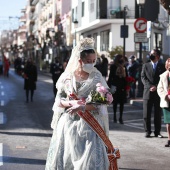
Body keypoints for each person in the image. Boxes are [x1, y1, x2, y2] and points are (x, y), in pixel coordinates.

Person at [45, 38, 112, 170]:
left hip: (90, 126)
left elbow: (103, 101)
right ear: (80, 60)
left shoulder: (97, 77)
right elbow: (58, 100)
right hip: (69, 125)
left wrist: (83, 106)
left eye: (94, 61)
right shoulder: (67, 77)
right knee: (66, 159)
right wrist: (71, 102)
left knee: (91, 161)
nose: (92, 64)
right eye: (88, 61)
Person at [141, 49, 166, 138]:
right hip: (148, 92)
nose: (151, 55)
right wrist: (150, 86)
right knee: (146, 113)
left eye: (153, 54)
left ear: (158, 56)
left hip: (158, 93)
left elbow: (162, 79)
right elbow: (143, 77)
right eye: (151, 54)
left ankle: (157, 132)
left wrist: (156, 86)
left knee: (157, 114)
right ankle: (147, 131)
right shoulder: (145, 65)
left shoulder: (162, 66)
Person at [107, 54, 128, 124]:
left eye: (122, 59)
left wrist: (127, 86)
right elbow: (110, 77)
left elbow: (127, 78)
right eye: (120, 58)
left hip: (122, 87)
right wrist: (108, 87)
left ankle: (121, 117)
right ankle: (115, 116)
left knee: (122, 103)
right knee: (115, 103)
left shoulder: (124, 67)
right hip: (115, 87)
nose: (121, 60)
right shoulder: (113, 66)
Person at [157, 58, 170, 147]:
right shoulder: (163, 76)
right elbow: (159, 88)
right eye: (168, 64)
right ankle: (169, 139)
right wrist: (166, 96)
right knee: (168, 123)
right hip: (166, 102)